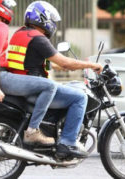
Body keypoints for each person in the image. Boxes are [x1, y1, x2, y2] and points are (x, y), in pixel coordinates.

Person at [6, 1, 103, 158]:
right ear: (43, 18)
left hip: (23, 84)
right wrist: (91, 65)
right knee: (79, 98)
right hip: (34, 89)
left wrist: (72, 65)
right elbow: (65, 62)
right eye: (51, 19)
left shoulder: (20, 34)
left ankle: (52, 130)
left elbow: (46, 63)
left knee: (64, 89)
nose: (53, 23)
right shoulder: (39, 39)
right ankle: (67, 143)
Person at [0, 0, 58, 145]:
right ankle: (33, 131)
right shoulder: (0, 27)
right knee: (49, 86)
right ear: (0, 8)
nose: (9, 9)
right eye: (6, 5)